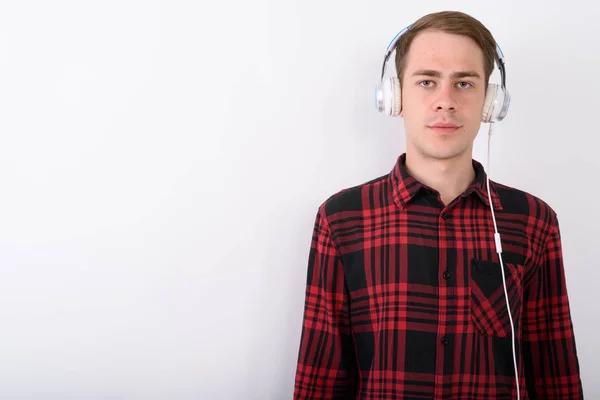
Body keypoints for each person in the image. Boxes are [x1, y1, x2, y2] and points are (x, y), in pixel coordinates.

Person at [292, 10, 584, 400]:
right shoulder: (342, 220)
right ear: (395, 97)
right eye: (427, 81)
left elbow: (555, 374)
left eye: (464, 83)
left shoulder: (534, 221)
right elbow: (321, 381)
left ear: (490, 101)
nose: (445, 101)